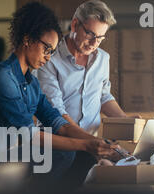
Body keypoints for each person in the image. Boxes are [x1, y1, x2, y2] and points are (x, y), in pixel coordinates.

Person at [0, 2, 119, 178]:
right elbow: (29, 135)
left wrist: (99, 143)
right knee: (64, 153)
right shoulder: (2, 78)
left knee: (81, 156)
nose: (48, 57)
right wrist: (86, 145)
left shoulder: (30, 83)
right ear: (27, 40)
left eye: (52, 51)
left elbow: (57, 122)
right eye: (46, 49)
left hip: (4, 153)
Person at [36, 0, 129, 181]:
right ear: (75, 24)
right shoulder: (49, 58)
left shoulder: (103, 59)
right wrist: (92, 144)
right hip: (58, 145)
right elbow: (56, 111)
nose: (94, 43)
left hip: (90, 144)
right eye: (90, 34)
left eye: (101, 38)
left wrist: (127, 122)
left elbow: (103, 95)